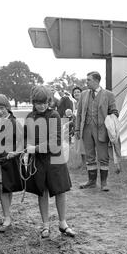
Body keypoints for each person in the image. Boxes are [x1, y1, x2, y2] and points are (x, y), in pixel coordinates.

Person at [24, 85, 76, 239]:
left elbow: (56, 141)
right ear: (33, 102)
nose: (42, 106)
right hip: (38, 160)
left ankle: (63, 223)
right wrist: (27, 146)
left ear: (49, 101)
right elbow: (26, 137)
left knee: (60, 191)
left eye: (44, 102)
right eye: (38, 103)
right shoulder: (30, 117)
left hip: (55, 158)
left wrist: (36, 148)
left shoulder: (54, 115)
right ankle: (45, 225)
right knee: (42, 191)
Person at [0, 94, 24, 232]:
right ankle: (6, 217)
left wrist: (16, 152)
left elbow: (21, 142)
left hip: (11, 161)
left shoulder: (15, 123)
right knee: (2, 187)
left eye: (2, 108)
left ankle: (7, 214)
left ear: (7, 107)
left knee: (8, 187)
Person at [76, 71, 119, 191]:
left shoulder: (108, 95)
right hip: (86, 129)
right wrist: (77, 129)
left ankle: (104, 183)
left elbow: (115, 111)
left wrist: (111, 117)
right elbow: (79, 113)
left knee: (103, 157)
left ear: (96, 81)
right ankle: (91, 181)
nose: (86, 82)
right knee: (89, 156)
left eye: (88, 80)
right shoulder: (84, 94)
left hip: (102, 130)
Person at [72, 86, 86, 167]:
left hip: (83, 128)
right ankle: (83, 163)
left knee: (84, 146)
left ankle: (87, 164)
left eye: (78, 92)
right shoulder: (75, 104)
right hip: (76, 128)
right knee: (80, 147)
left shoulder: (84, 103)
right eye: (75, 92)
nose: (76, 93)